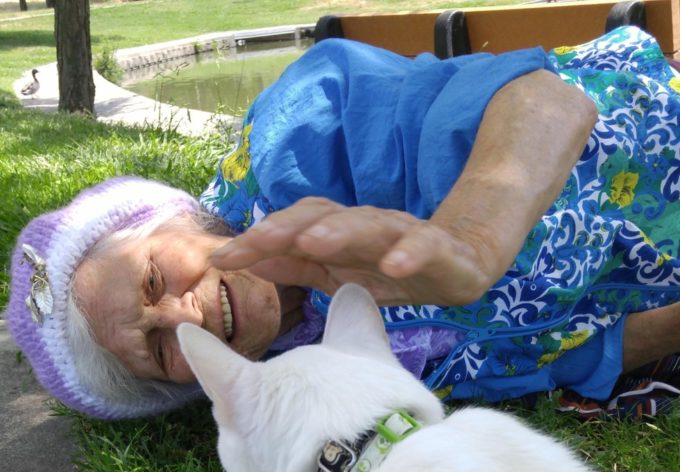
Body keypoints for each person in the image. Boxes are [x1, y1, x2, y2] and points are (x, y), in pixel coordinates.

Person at [7, 25, 680, 421]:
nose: (186, 319)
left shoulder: (298, 134)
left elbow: (548, 103)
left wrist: (471, 240)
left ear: (178, 219)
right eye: (158, 351)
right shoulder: (317, 383)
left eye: (154, 278)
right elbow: (573, 353)